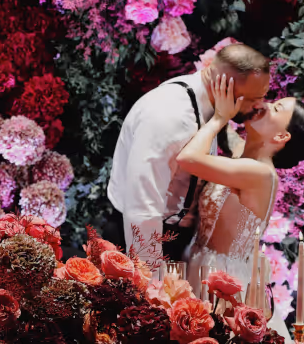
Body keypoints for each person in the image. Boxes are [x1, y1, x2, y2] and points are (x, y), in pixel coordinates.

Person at [178, 73, 304, 344]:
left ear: (281, 135)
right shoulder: (245, 157)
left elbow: (188, 158)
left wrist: (220, 118)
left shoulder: (260, 173)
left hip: (222, 282)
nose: (266, 105)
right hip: (201, 266)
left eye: (277, 108)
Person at [107, 44, 270, 262]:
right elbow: (142, 207)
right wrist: (150, 279)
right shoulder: (170, 117)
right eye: (252, 99)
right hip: (139, 237)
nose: (259, 106)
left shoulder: (207, 99)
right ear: (224, 86)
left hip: (173, 233)